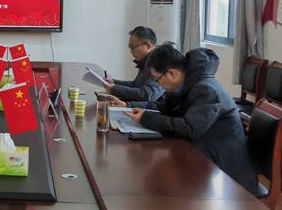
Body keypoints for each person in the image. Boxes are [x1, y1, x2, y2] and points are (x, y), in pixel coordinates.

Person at [118, 43, 260, 195]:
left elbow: (189, 128)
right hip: (204, 160)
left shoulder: (206, 90)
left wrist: (146, 118)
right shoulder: (186, 85)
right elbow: (163, 106)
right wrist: (131, 106)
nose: (157, 84)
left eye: (156, 79)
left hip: (226, 176)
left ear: (171, 74)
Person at [103, 26, 164, 104]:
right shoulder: (145, 60)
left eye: (133, 47)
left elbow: (147, 95)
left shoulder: (160, 61)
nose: (131, 51)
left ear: (148, 46)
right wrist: (114, 82)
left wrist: (114, 88)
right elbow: (136, 85)